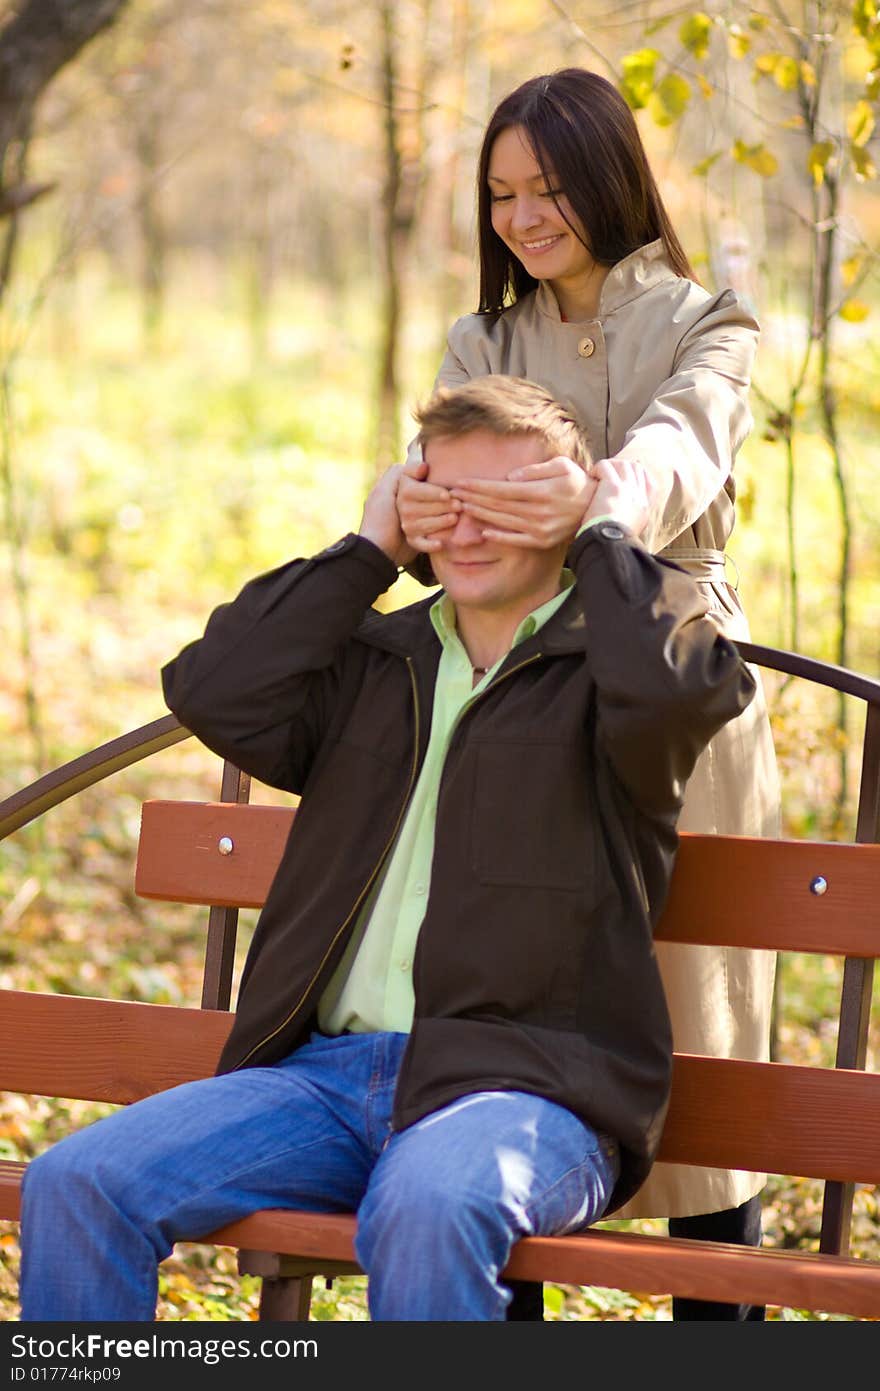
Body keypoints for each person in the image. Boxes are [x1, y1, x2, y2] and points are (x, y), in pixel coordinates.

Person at [19, 376, 756, 1322]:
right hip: (321, 1081)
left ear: (565, 505)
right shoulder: (375, 663)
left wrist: (608, 532)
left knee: (431, 1202)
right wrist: (368, 548)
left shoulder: (609, 677)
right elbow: (213, 690)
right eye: (442, 499)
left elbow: (680, 695)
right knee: (79, 1182)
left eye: (507, 500)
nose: (469, 527)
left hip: (524, 1086)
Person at [397, 67, 780, 1322]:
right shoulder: (482, 340)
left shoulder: (707, 320)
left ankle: (716, 1325)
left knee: (697, 1009)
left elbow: (684, 442)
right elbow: (433, 480)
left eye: (548, 186)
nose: (522, 215)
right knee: (514, 1001)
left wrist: (600, 501)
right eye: (501, 193)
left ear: (608, 177)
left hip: (673, 684)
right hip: (515, 696)